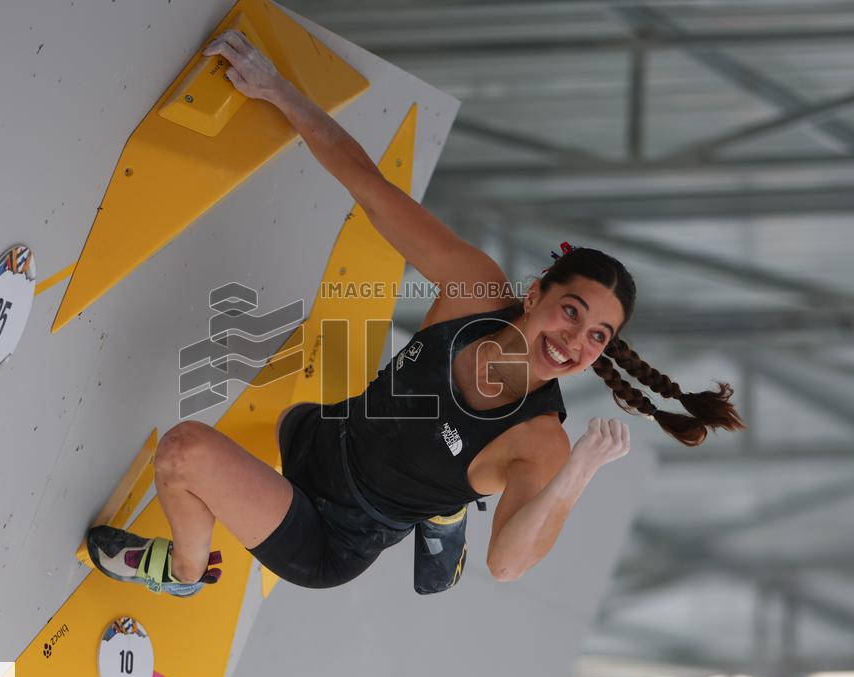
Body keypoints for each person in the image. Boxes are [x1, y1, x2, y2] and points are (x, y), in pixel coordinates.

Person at [86, 30, 746, 598]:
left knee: (182, 453)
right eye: (572, 312)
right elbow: (371, 191)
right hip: (319, 436)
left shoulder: (538, 441)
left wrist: (577, 472)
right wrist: (277, 90)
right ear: (538, 289)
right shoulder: (476, 290)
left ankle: (177, 570)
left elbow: (508, 563)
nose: (575, 341)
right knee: (292, 419)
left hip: (333, 538)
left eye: (597, 337)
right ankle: (448, 506)